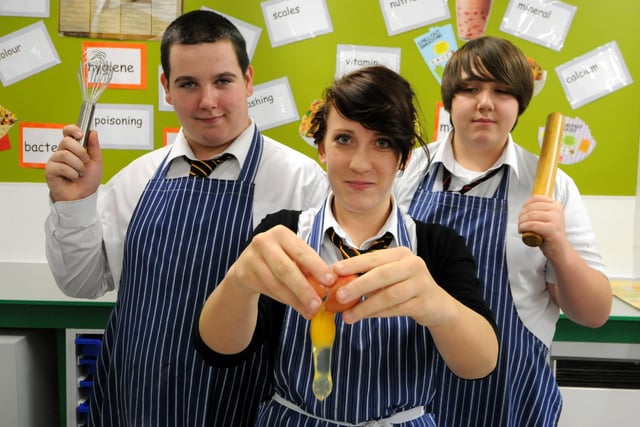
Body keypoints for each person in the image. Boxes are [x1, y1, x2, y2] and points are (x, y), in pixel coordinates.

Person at [44, 9, 328, 427]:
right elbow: (80, 283)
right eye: (189, 84)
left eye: (223, 81)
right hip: (133, 403)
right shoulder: (133, 180)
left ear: (248, 81)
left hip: (244, 408)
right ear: (167, 89)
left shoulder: (303, 184)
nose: (208, 101)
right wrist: (74, 202)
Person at [194, 66, 499, 426]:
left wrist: (439, 307)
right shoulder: (283, 234)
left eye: (382, 142)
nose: (360, 163)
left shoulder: (437, 247)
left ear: (403, 158)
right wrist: (239, 283)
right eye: (344, 139)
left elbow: (479, 366)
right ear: (322, 148)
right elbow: (220, 350)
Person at [395, 36, 612, 426]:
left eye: (501, 91)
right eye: (470, 89)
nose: (485, 102)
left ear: (520, 104)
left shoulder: (551, 187)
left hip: (511, 394)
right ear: (450, 99)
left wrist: (559, 248)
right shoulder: (409, 172)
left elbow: (594, 314)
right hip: (410, 386)